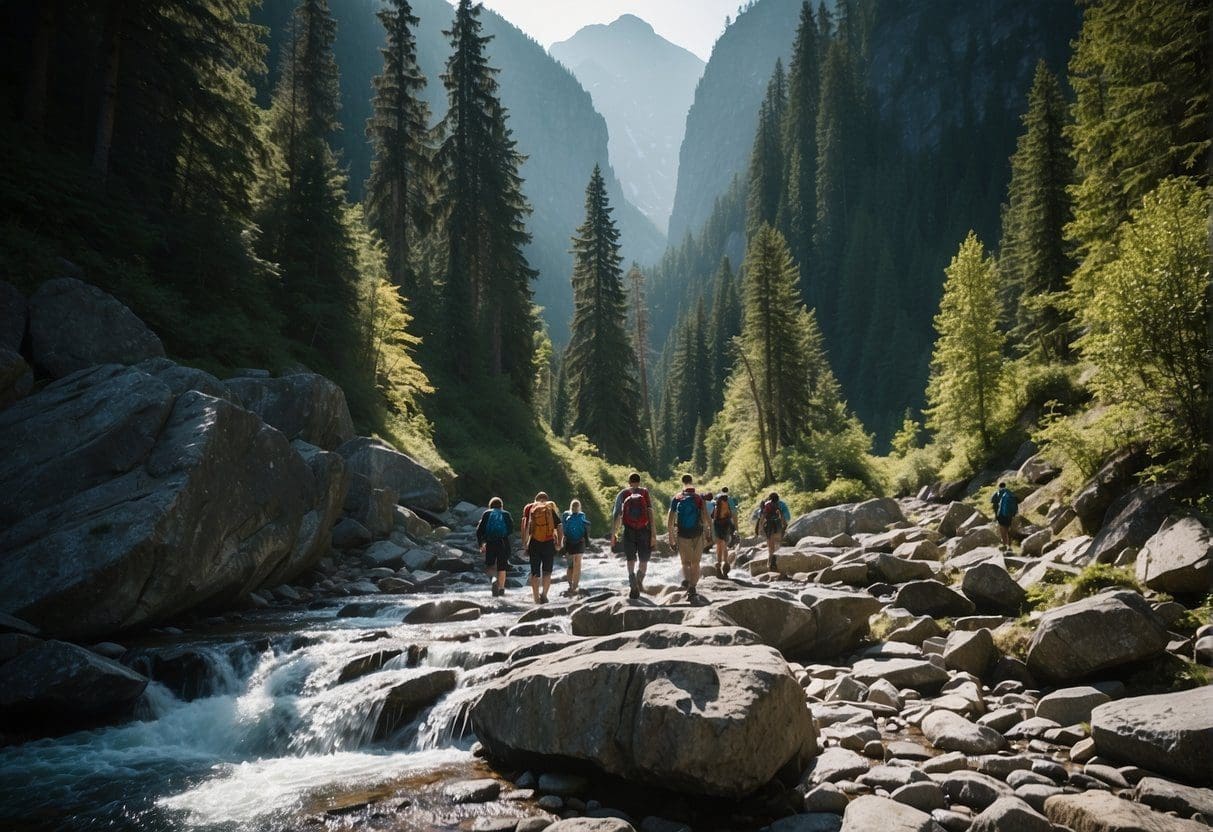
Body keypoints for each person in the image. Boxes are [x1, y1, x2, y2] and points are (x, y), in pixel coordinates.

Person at [611, 472, 656, 599]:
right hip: (644, 530)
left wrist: (614, 534)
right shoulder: (644, 492)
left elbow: (616, 514)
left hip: (629, 531)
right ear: (639, 481)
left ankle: (632, 579)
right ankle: (639, 580)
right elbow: (650, 512)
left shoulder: (623, 493)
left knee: (630, 559)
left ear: (629, 482)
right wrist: (653, 534)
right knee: (644, 559)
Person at [667, 474, 711, 602]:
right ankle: (693, 587)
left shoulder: (677, 498)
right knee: (696, 563)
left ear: (682, 483)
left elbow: (670, 520)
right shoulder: (698, 497)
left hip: (682, 534)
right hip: (697, 533)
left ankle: (688, 588)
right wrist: (708, 531)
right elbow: (705, 516)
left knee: (685, 563)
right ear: (692, 482)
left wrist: (671, 536)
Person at [522, 491, 563, 604]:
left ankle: (536, 598)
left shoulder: (531, 508)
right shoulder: (549, 509)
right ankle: (544, 594)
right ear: (546, 500)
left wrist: (525, 543)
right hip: (549, 542)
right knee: (547, 572)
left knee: (535, 572)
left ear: (536, 499)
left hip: (534, 543)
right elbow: (559, 526)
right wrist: (559, 543)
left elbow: (525, 526)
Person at [476, 497, 513, 597]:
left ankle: (493, 580)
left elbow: (479, 531)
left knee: (490, 565)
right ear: (501, 506)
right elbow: (510, 530)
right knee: (502, 567)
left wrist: (481, 544)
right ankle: (501, 589)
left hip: (490, 542)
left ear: (490, 506)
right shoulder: (506, 514)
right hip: (503, 543)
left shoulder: (486, 513)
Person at [755, 491, 791, 572]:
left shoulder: (767, 505)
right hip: (777, 525)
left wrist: (760, 527)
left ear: (770, 498)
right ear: (777, 499)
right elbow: (781, 516)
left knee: (770, 548)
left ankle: (770, 564)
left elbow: (763, 516)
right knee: (777, 546)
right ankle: (776, 564)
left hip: (769, 526)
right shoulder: (779, 504)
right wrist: (784, 525)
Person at [561, 499, 589, 595]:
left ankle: (570, 585)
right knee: (578, 564)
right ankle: (575, 586)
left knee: (570, 565)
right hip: (580, 542)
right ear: (579, 507)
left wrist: (561, 542)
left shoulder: (565, 515)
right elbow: (585, 528)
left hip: (569, 542)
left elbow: (563, 528)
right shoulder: (582, 515)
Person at [711, 490, 734, 576]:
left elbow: (714, 517)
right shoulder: (726, 504)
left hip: (718, 525)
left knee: (720, 545)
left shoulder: (718, 505)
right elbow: (729, 515)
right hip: (725, 525)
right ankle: (725, 564)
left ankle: (719, 565)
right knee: (723, 545)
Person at [991, 482, 1019, 551]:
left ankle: (1004, 545)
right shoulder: (1010, 493)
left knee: (1002, 529)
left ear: (999, 487)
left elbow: (993, 503)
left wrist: (995, 515)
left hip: (1000, 514)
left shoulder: (997, 493)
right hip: (1010, 515)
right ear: (1005, 486)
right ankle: (1009, 546)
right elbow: (1016, 502)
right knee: (1008, 529)